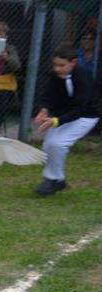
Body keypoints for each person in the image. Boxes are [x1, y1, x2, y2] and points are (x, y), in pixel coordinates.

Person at [33, 43, 99, 196]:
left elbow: (80, 108)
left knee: (58, 144)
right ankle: (59, 180)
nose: (57, 69)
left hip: (85, 116)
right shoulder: (54, 75)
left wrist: (56, 121)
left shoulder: (84, 77)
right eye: (55, 65)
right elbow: (46, 95)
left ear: (73, 62)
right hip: (63, 115)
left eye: (61, 65)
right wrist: (44, 110)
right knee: (48, 145)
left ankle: (51, 180)